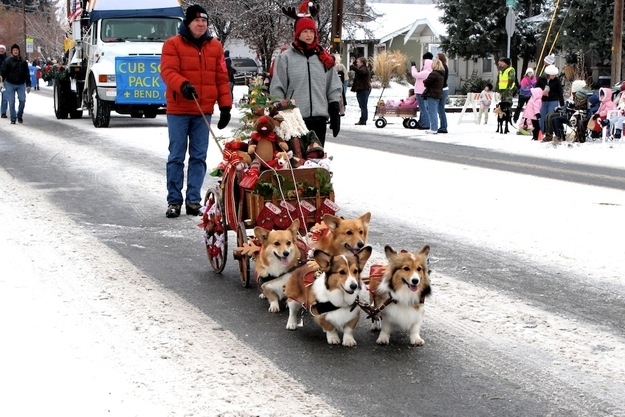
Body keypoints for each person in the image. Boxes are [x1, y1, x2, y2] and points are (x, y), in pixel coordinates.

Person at [160, 4, 232, 218]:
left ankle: (193, 200)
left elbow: (221, 76)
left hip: (203, 110)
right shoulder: (172, 44)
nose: (201, 24)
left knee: (199, 156)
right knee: (176, 156)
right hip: (179, 109)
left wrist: (225, 105)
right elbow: (168, 71)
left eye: (204, 21)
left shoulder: (215, 46)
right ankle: (174, 200)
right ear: (188, 23)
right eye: (196, 21)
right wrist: (182, 85)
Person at [270, 10, 342, 142]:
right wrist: (280, 112)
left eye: (311, 31)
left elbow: (333, 86)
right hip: (294, 119)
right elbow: (277, 87)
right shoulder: (285, 58)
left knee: (316, 160)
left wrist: (334, 110)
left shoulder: (323, 58)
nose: (309, 35)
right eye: (305, 31)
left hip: (319, 119)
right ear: (297, 34)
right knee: (297, 160)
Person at [0, 44, 31, 124]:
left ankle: (19, 115)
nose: (15, 51)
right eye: (14, 50)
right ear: (12, 52)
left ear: (19, 51)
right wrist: (1, 82)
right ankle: (13, 118)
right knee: (11, 101)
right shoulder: (8, 61)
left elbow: (27, 73)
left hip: (21, 84)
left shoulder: (23, 61)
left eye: (17, 50)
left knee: (22, 100)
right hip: (10, 83)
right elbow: (3, 72)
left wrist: (28, 84)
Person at [537, 65, 564, 139]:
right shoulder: (540, 79)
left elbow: (560, 92)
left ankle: (549, 133)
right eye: (553, 75)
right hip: (543, 100)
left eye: (555, 75)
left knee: (550, 116)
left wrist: (562, 104)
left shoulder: (557, 80)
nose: (554, 76)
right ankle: (541, 131)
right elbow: (536, 89)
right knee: (542, 116)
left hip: (553, 100)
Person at [422, 57, 445, 134]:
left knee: (432, 112)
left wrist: (424, 81)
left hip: (432, 94)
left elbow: (427, 83)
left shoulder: (433, 74)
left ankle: (434, 128)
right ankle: (434, 127)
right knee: (434, 111)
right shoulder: (441, 75)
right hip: (437, 94)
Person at [411, 52, 433, 129]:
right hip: (422, 91)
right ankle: (422, 122)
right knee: (424, 108)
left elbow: (415, 75)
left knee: (423, 109)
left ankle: (426, 124)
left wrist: (413, 67)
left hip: (420, 92)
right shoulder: (429, 72)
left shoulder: (426, 72)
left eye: (424, 62)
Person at [349, 56, 371, 126]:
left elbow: (360, 72)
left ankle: (363, 120)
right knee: (362, 105)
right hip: (361, 89)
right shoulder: (361, 68)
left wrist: (352, 66)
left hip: (364, 89)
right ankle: (362, 119)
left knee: (363, 105)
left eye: (358, 62)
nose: (357, 63)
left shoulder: (364, 68)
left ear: (362, 62)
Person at [496, 57, 516, 122]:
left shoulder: (510, 69)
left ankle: (508, 117)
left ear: (505, 63)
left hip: (508, 91)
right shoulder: (501, 70)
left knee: (508, 105)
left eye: (501, 61)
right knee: (502, 105)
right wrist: (498, 88)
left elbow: (511, 79)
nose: (499, 63)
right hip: (502, 90)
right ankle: (502, 117)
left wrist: (508, 88)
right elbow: (499, 80)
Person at [436, 52, 449, 133]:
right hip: (444, 89)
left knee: (440, 109)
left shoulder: (442, 67)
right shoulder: (445, 67)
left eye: (436, 57)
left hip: (442, 89)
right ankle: (443, 126)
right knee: (440, 109)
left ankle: (443, 127)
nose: (435, 58)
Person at [0, 44, 8, 118]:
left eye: (3, 49)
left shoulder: (8, 59)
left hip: (5, 80)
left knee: (5, 97)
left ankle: (3, 112)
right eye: (0, 49)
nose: (1, 50)